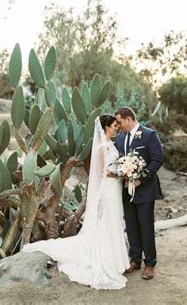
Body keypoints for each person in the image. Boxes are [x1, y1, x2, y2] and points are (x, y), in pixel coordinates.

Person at [22, 114, 130, 290]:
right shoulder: (101, 147)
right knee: (105, 221)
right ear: (105, 128)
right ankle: (107, 258)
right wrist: (122, 172)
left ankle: (117, 259)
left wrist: (123, 169)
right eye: (113, 126)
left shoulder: (111, 145)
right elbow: (103, 172)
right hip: (107, 189)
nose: (116, 128)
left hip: (114, 189)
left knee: (114, 220)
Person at [114, 107, 164, 280]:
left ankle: (150, 263)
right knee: (131, 225)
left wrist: (140, 179)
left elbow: (157, 159)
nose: (118, 126)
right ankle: (134, 259)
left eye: (119, 122)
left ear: (128, 119)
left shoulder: (149, 135)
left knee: (145, 226)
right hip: (126, 190)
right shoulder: (120, 138)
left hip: (145, 189)